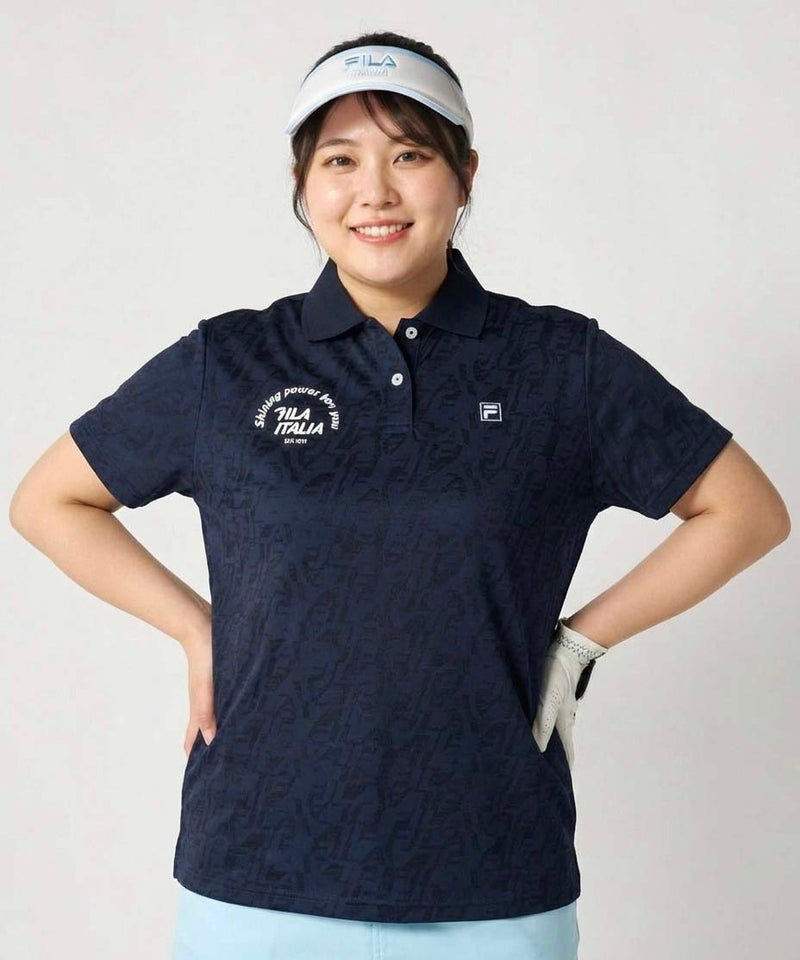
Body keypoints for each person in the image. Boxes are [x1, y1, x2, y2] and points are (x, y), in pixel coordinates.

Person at [8, 28, 791, 960]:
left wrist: (581, 642)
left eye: (410, 155)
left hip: (496, 884)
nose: (374, 191)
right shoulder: (230, 363)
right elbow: (49, 500)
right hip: (256, 879)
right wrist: (196, 627)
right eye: (340, 160)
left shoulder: (558, 365)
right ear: (303, 185)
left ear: (464, 175)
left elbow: (747, 511)